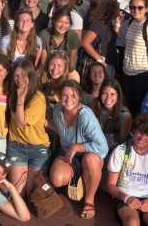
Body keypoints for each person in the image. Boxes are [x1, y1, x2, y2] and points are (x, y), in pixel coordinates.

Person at [49, 80, 108, 219]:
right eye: (65, 95)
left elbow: (103, 147)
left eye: (73, 95)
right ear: (59, 96)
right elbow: (58, 128)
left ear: (80, 97)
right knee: (57, 179)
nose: (69, 99)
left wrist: (76, 147)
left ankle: (89, 199)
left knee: (90, 161)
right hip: (69, 154)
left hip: (90, 154)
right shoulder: (58, 109)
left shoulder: (86, 117)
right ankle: (82, 176)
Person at [106, 113, 148, 226]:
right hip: (126, 196)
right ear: (134, 129)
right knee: (132, 222)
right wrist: (126, 198)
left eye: (147, 135)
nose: (142, 138)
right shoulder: (120, 151)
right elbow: (110, 185)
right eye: (140, 131)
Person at [122, 0, 148, 115]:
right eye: (133, 7)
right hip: (128, 73)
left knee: (144, 110)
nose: (136, 10)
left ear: (146, 9)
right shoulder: (131, 23)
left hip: (143, 74)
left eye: (140, 7)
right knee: (132, 108)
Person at [77, 0, 119, 79]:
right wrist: (100, 60)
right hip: (98, 66)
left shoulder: (108, 23)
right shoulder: (99, 23)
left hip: (107, 63)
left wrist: (118, 23)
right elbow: (85, 42)